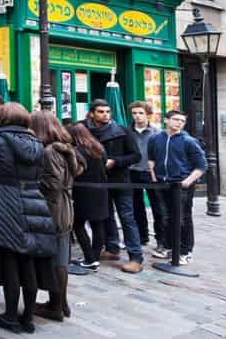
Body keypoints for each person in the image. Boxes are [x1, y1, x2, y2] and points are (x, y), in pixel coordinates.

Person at [0, 102, 56, 334]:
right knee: (28, 262)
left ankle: (10, 316)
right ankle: (27, 317)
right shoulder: (37, 143)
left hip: (5, 204)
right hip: (34, 202)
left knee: (10, 263)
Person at [32, 111, 83, 323]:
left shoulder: (49, 151)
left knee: (57, 259)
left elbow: (54, 183)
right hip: (63, 206)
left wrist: (32, 181)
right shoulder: (64, 148)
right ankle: (59, 303)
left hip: (54, 208)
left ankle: (57, 305)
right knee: (60, 258)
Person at [82, 99, 143, 273]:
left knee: (127, 218)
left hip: (120, 181)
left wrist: (115, 161)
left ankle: (136, 257)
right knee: (105, 216)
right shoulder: (83, 130)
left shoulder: (122, 131)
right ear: (92, 113)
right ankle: (111, 248)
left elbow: (135, 156)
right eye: (101, 112)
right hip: (98, 182)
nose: (105, 115)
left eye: (108, 111)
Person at [148, 110, 207, 264]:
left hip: (181, 185)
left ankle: (185, 251)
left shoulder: (189, 141)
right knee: (166, 216)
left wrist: (188, 181)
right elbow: (151, 159)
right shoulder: (155, 138)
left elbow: (202, 166)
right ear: (166, 120)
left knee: (183, 218)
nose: (179, 123)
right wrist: (154, 176)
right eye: (176, 119)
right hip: (163, 184)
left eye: (182, 121)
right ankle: (168, 247)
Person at [68, 123, 108, 271]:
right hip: (100, 190)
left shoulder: (75, 151)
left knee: (78, 225)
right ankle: (95, 257)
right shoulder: (99, 148)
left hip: (82, 192)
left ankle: (89, 258)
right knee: (98, 225)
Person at [127, 101, 162, 247]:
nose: (137, 116)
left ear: (148, 115)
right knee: (136, 207)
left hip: (151, 174)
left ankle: (161, 239)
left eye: (140, 113)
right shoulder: (126, 132)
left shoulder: (157, 133)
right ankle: (142, 236)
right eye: (134, 113)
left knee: (158, 207)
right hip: (132, 173)